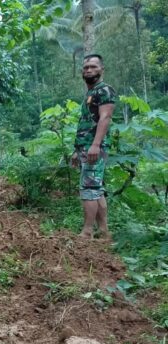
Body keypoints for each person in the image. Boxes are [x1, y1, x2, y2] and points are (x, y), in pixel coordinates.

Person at [71, 54, 116, 240]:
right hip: (85, 147)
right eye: (85, 67)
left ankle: (87, 231)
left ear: (101, 69)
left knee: (88, 189)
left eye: (93, 67)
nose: (88, 70)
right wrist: (77, 149)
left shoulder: (104, 90)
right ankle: (104, 231)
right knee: (95, 188)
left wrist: (95, 145)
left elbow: (105, 118)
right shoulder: (91, 93)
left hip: (94, 147)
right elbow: (86, 123)